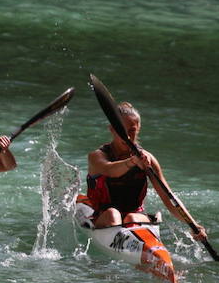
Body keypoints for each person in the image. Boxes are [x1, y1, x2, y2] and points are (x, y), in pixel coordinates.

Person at [80, 102, 207, 239]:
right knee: (113, 214)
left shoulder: (148, 160)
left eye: (132, 130)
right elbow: (110, 170)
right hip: (103, 216)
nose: (127, 136)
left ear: (138, 129)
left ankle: (140, 248)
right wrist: (133, 161)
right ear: (111, 129)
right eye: (121, 130)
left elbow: (168, 197)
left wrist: (193, 224)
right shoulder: (97, 157)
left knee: (132, 218)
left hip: (136, 216)